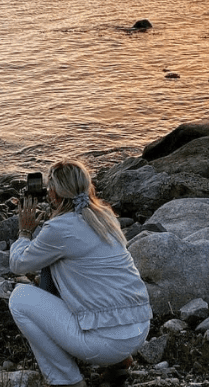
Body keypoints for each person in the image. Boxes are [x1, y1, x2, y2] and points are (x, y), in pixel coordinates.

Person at [9, 159, 152, 387]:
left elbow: (18, 265)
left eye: (50, 188)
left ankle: (67, 381)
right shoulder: (104, 217)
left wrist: (25, 232)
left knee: (19, 298)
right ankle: (118, 364)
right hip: (139, 329)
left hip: (106, 343)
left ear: (54, 193)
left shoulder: (60, 229)